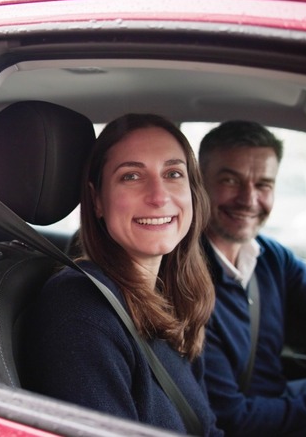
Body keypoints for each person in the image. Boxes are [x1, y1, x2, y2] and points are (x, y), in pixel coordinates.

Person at [20, 113, 221, 435]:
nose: (158, 196)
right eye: (131, 176)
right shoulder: (80, 313)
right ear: (97, 199)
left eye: (172, 173)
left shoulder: (173, 294)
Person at [199, 120, 306, 436]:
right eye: (230, 180)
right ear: (200, 182)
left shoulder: (269, 255)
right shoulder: (186, 282)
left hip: (274, 399)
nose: (249, 200)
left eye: (263, 184)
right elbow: (233, 418)